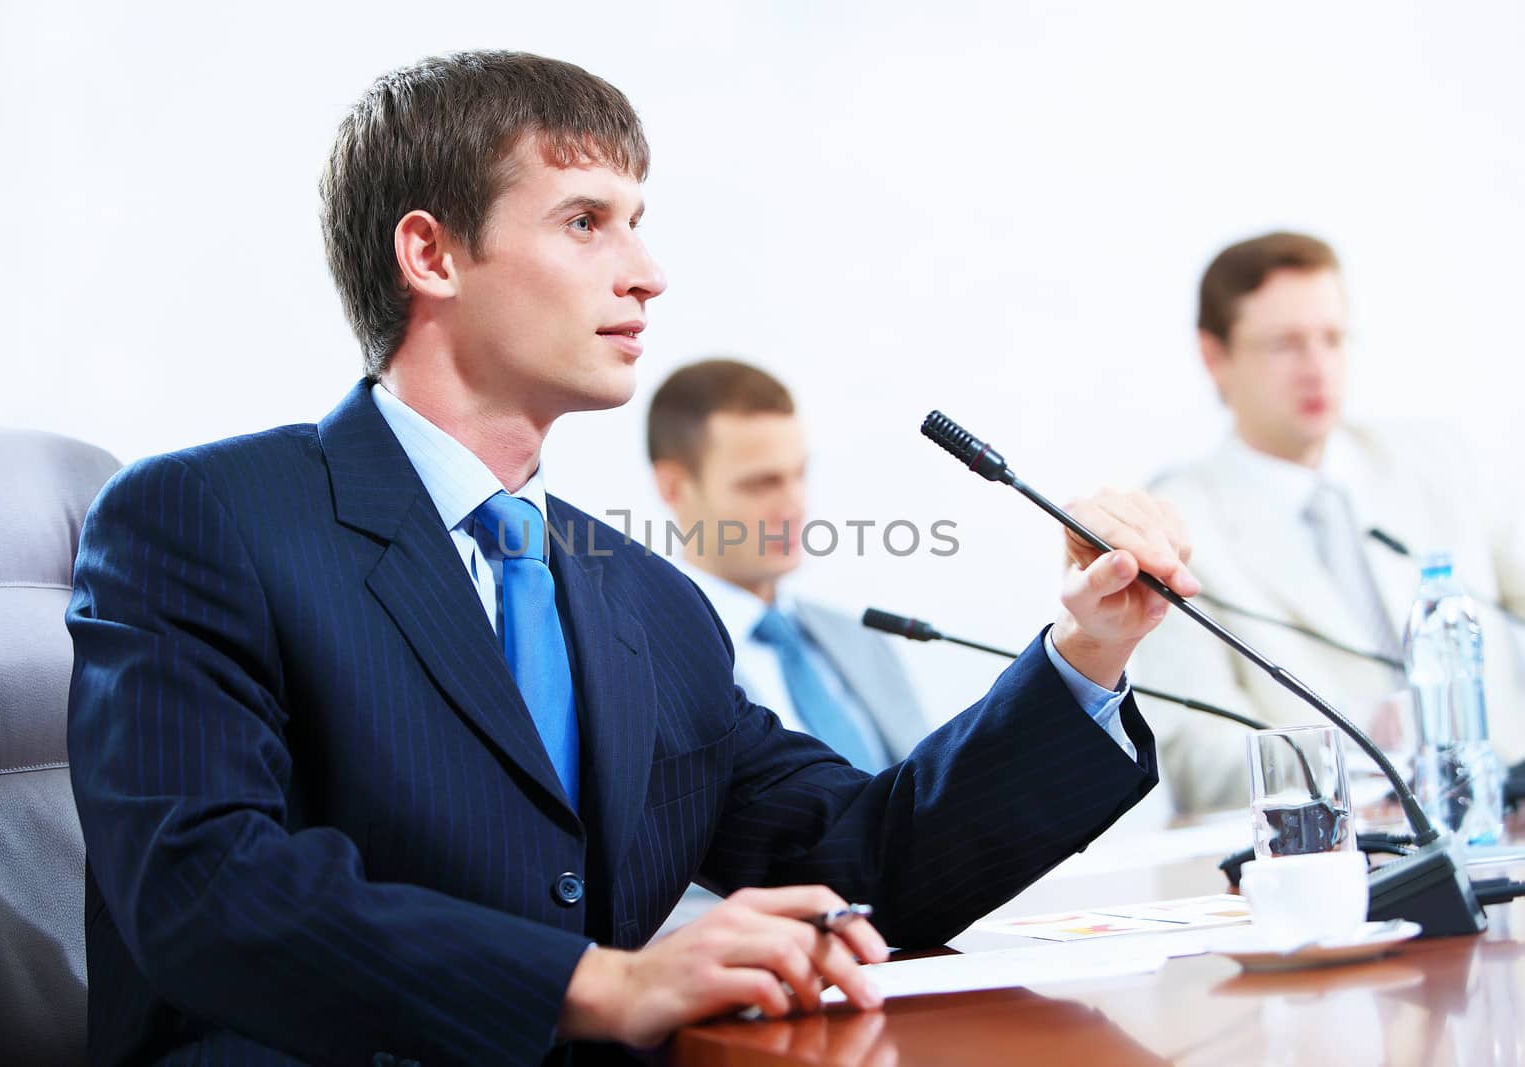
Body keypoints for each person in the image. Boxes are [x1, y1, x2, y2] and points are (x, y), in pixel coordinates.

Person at [67, 50, 1195, 1065]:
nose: (647, 271)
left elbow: (865, 862)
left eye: (638, 220)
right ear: (431, 253)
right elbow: (202, 887)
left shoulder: (645, 599)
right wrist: (603, 981)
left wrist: (1086, 651)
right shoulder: (203, 517)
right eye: (584, 221)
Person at [1132, 231, 1525, 814]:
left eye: (1332, 339)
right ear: (1215, 356)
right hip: (1331, 860)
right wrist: (1355, 748)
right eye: (1284, 345)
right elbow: (1193, 763)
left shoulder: (1436, 461)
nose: (1317, 368)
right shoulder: (1175, 524)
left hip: (1501, 834)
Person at [647, 358, 929, 770]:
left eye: (799, 474)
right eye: (762, 483)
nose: (794, 505)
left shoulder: (861, 639)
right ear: (673, 487)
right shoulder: (646, 664)